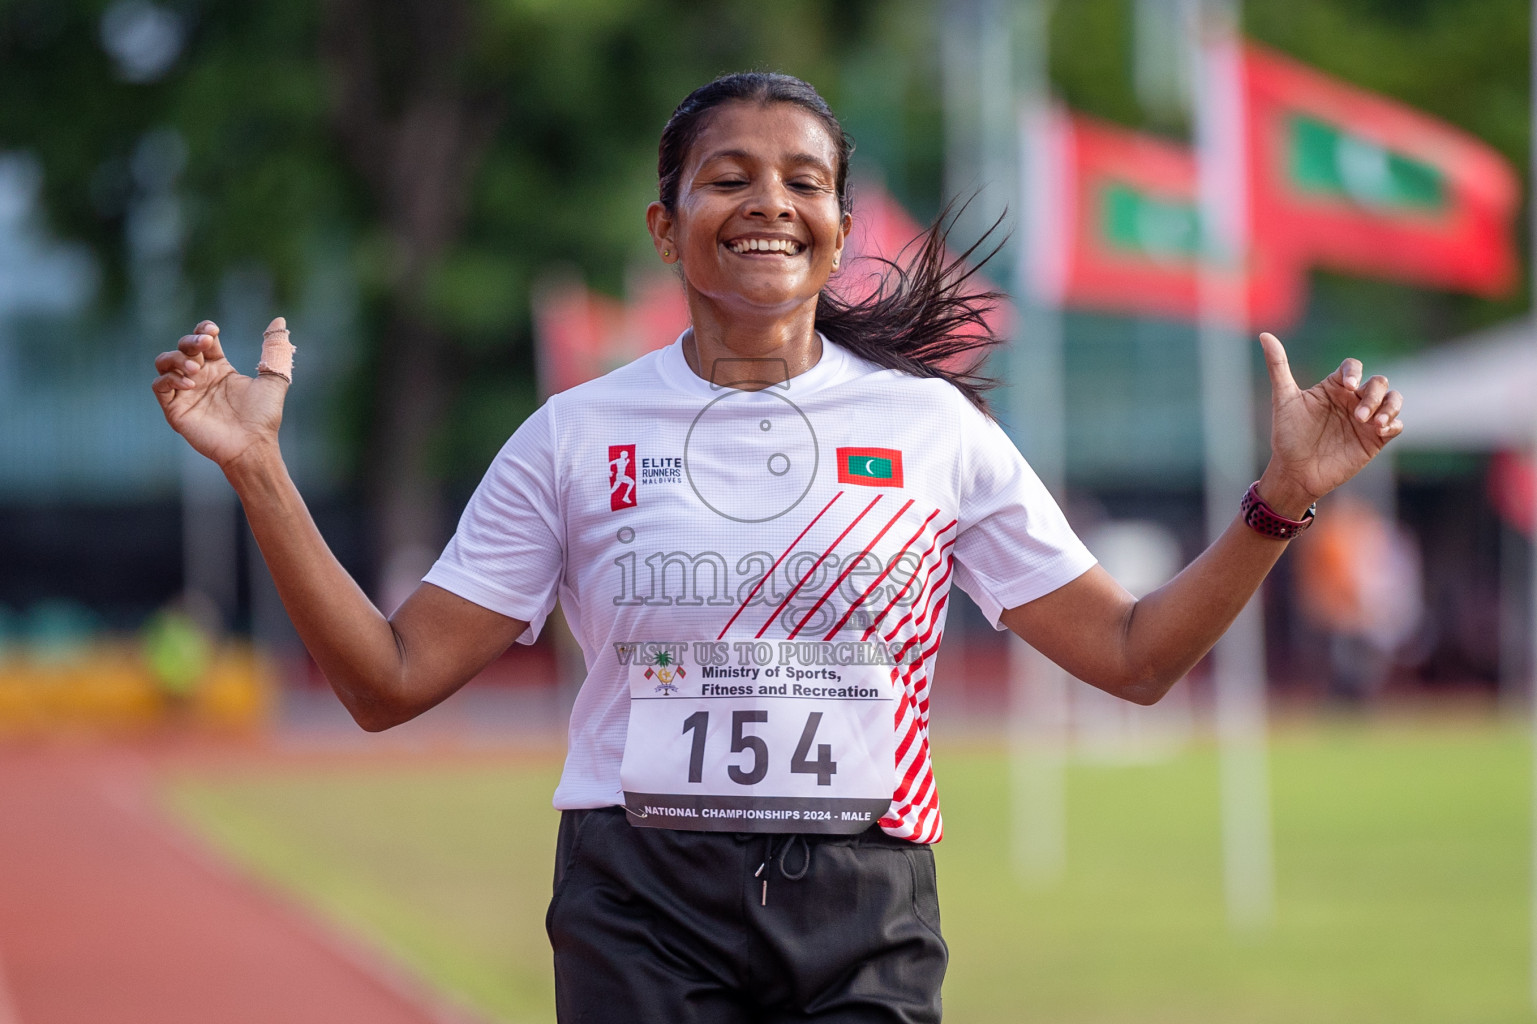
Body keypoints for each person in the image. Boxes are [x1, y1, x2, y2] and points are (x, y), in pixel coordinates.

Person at [153, 72, 1404, 1023]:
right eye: (728, 177)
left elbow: (1131, 656)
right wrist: (259, 469)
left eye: (802, 180)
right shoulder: (574, 434)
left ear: (841, 223)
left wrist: (1278, 498)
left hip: (864, 901)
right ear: (665, 226)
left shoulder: (931, 429)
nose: (768, 203)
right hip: (636, 903)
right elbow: (385, 680)